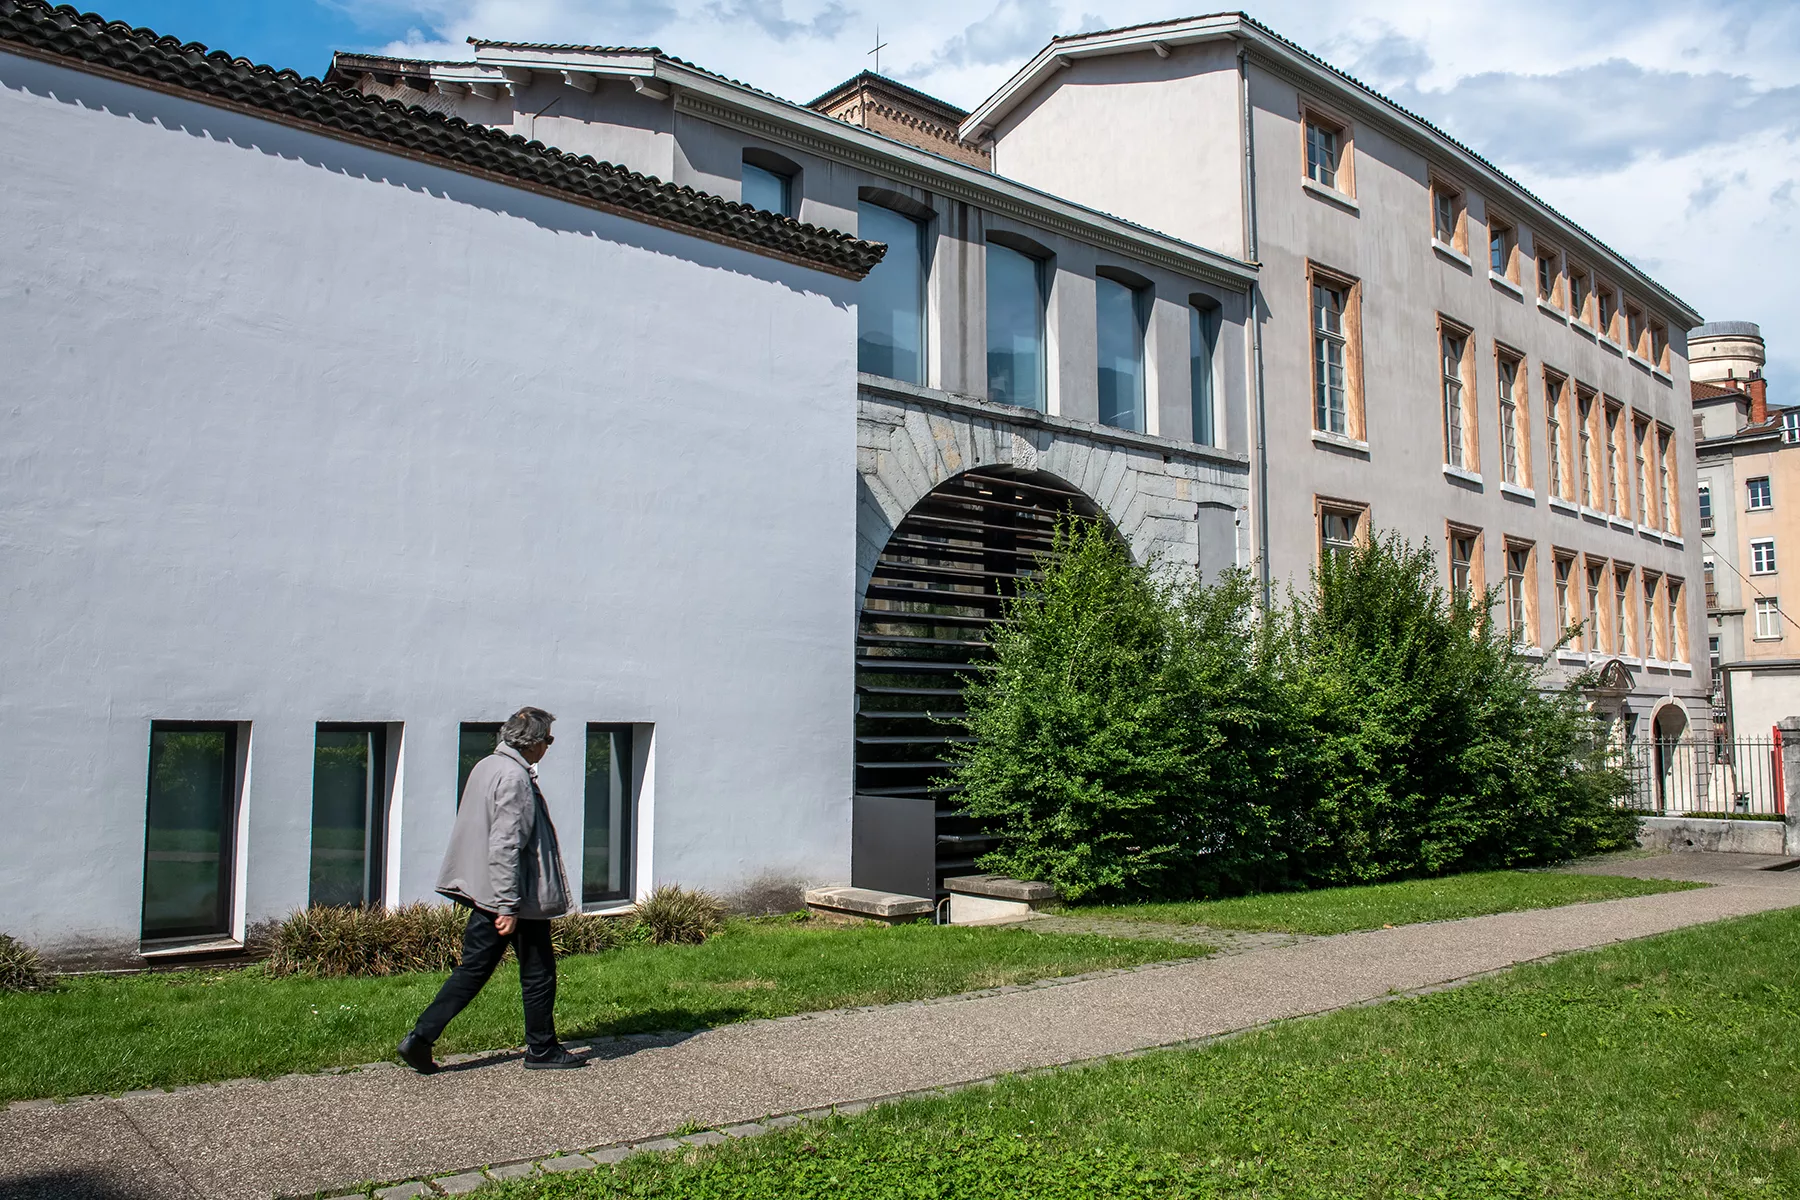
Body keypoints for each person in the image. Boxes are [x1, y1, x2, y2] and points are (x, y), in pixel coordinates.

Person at [397, 706, 585, 1072]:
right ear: (531, 743)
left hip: (490, 892)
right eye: (548, 740)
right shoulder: (514, 778)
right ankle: (542, 1049)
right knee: (538, 972)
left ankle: (420, 1038)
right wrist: (507, 906)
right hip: (515, 895)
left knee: (473, 970)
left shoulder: (487, 766)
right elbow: (505, 845)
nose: (548, 747)